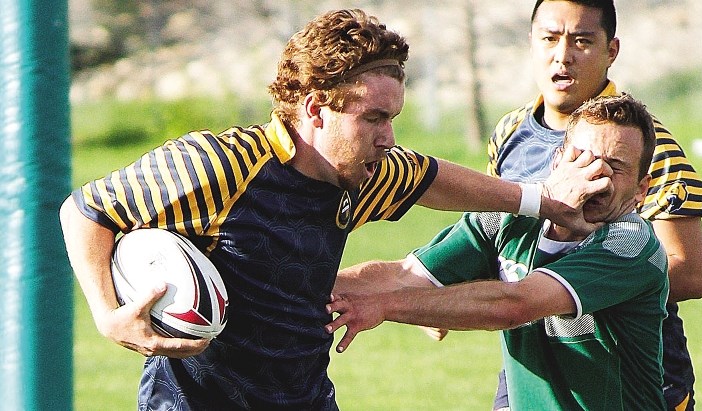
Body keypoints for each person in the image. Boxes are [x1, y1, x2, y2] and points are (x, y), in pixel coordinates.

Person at [59, 9, 612, 410]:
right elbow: (85, 211)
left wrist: (544, 200)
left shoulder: (360, 174)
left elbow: (435, 178)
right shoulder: (218, 164)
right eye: (374, 118)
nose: (388, 137)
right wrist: (110, 314)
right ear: (317, 109)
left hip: (304, 398)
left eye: (393, 117)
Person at [436, 1, 702, 409]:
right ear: (531, 42)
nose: (562, 55)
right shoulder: (510, 132)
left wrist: (568, 286)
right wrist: (448, 291)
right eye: (549, 38)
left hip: (628, 375)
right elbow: (500, 237)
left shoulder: (646, 143)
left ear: (611, 51)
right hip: (531, 357)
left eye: (581, 41)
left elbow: (690, 271)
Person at [329, 94, 669, 410]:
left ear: (641, 189)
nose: (595, 175)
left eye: (615, 166)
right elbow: (403, 276)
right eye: (582, 157)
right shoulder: (509, 219)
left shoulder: (630, 245)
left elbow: (513, 306)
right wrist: (303, 289)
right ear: (556, 160)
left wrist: (382, 306)